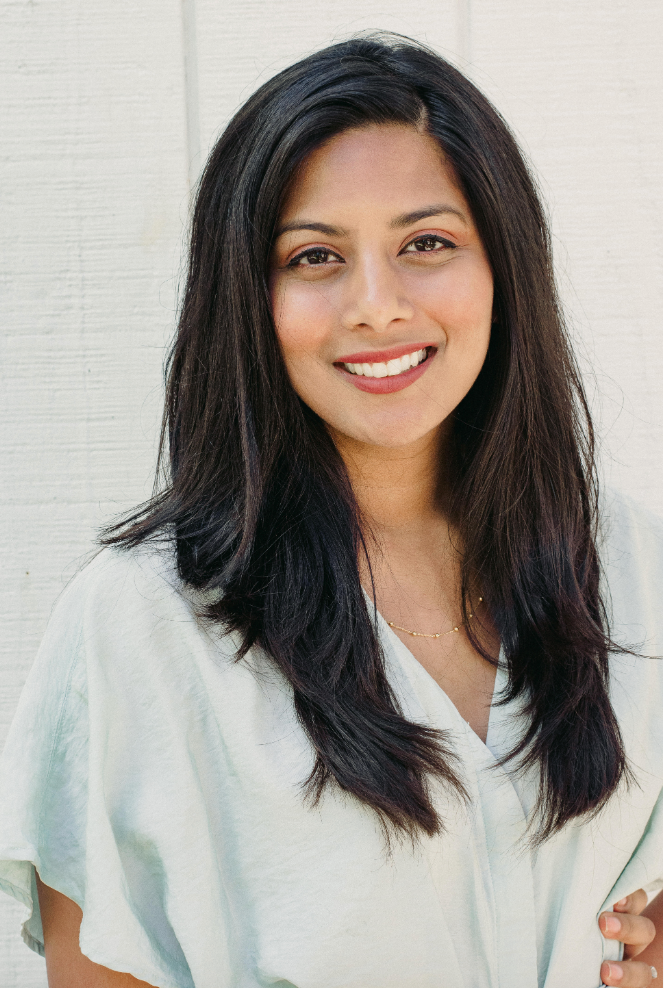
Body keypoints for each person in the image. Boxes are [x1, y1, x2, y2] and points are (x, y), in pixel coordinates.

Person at [0, 32, 661, 988]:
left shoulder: (634, 563)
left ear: (503, 266)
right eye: (315, 256)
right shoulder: (144, 623)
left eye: (425, 243)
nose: (377, 305)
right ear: (248, 294)